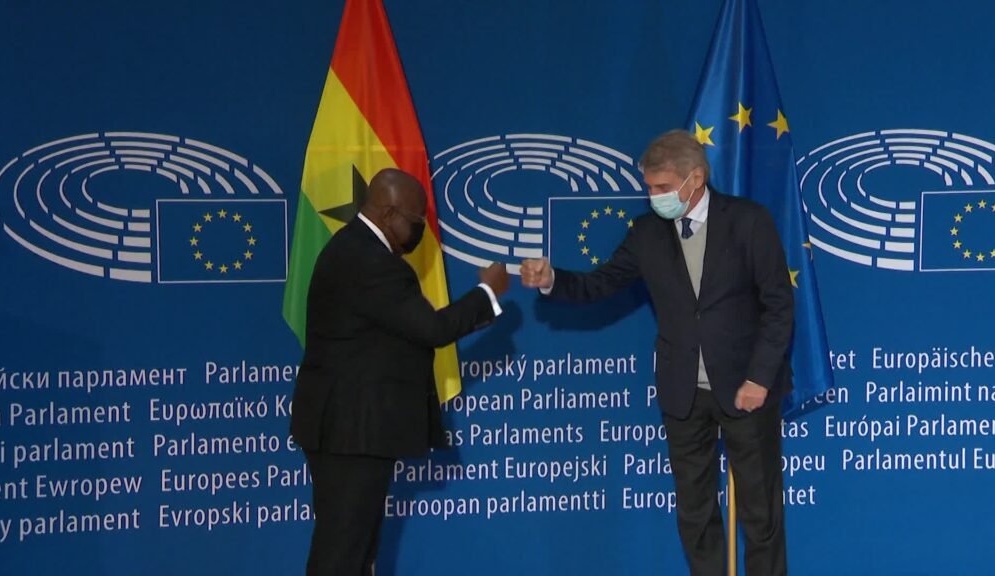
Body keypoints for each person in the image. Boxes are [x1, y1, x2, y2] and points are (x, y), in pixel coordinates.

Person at [521, 130, 793, 576]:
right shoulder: (646, 233)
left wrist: (760, 378)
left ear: (696, 178)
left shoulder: (748, 221)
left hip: (747, 389)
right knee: (694, 512)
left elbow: (779, 305)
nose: (654, 197)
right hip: (683, 393)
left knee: (760, 514)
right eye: (649, 188)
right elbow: (601, 283)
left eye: (662, 188)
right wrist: (553, 278)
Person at [290, 168, 509, 576]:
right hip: (352, 431)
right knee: (342, 552)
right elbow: (433, 329)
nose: (419, 231)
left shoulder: (354, 249)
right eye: (417, 221)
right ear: (390, 214)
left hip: (345, 428)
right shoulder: (372, 262)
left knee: (353, 548)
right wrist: (488, 292)